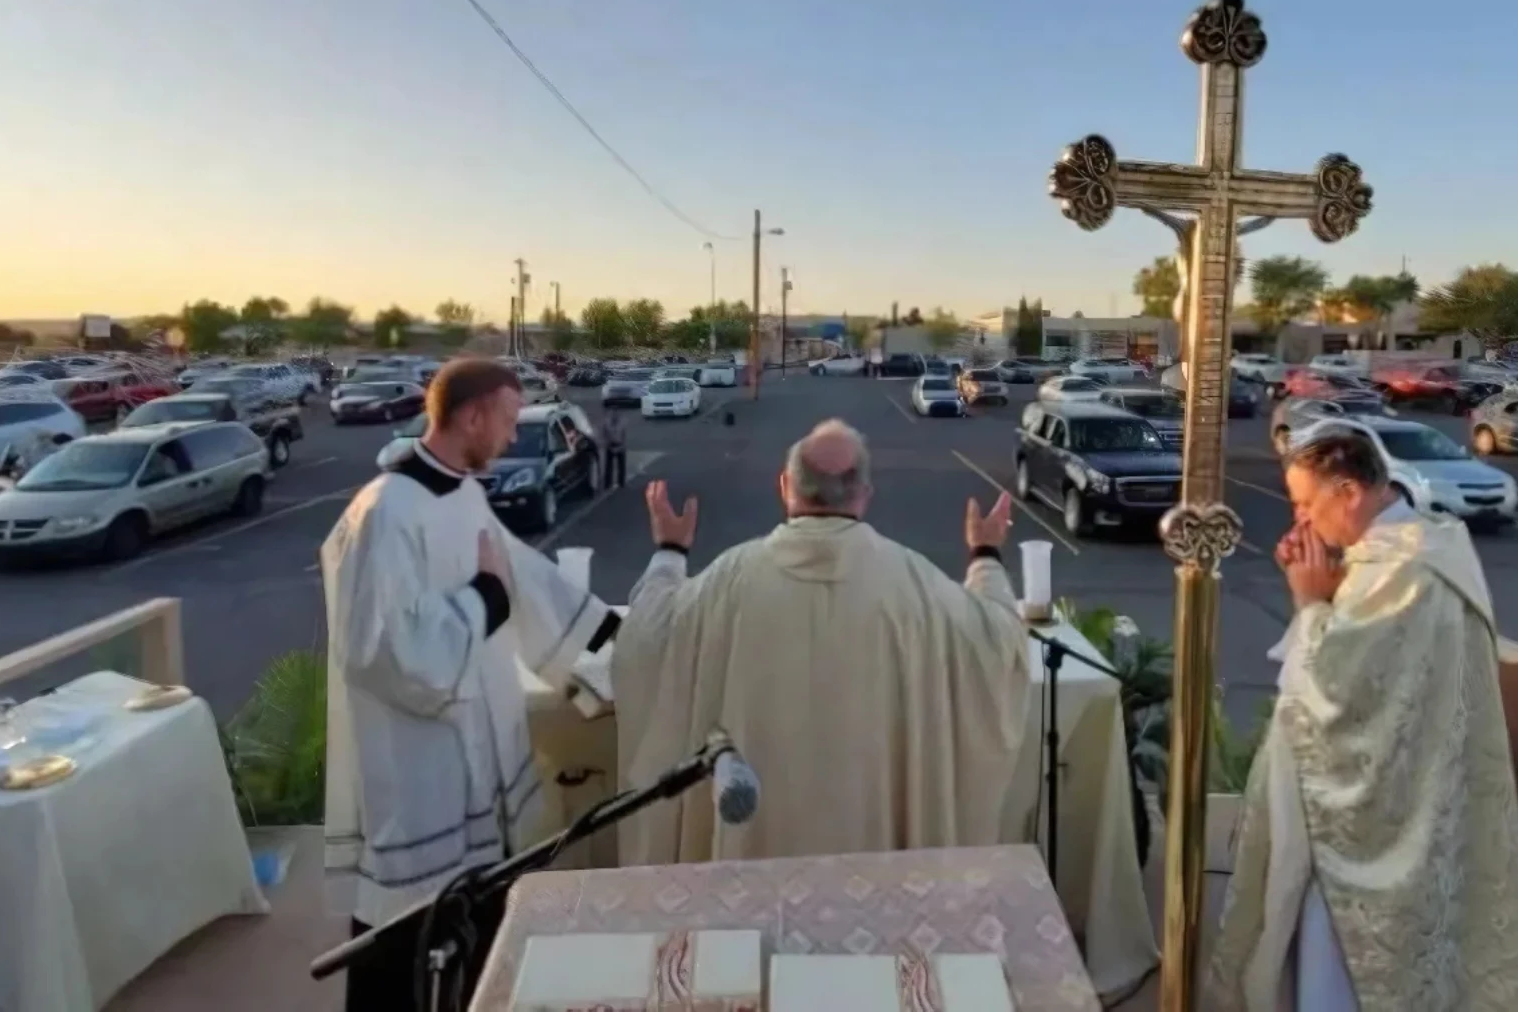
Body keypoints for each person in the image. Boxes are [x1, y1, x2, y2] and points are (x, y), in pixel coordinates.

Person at [1204, 430, 1518, 1011]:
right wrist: (1329, 587)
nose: (1299, 516)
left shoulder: (1403, 571)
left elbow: (1331, 697)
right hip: (1407, 787)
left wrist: (1310, 600)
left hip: (1379, 816)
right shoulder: (1428, 544)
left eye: (1306, 502)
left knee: (1342, 965)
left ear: (1351, 492)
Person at [320, 359, 612, 1012]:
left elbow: (526, 578)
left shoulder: (462, 492)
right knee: (407, 930)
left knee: (471, 917)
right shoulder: (388, 513)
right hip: (420, 770)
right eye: (508, 420)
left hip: (478, 756)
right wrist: (483, 599)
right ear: (472, 416)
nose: (513, 436)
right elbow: (385, 654)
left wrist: (613, 640)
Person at [610, 418, 1029, 865]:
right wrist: (985, 556)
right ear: (865, 494)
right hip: (876, 859)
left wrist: (670, 552)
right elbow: (997, 640)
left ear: (785, 486)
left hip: (753, 856)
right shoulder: (914, 581)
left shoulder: (730, 579)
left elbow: (645, 639)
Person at [602, 405, 628, 489]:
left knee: (621, 466)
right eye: (613, 413)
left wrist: (621, 447)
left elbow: (624, 436)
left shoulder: (623, 422)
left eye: (616, 413)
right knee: (608, 466)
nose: (614, 415)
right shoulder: (606, 422)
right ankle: (607, 483)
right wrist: (608, 445)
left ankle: (621, 483)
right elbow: (604, 434)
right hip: (610, 444)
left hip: (620, 444)